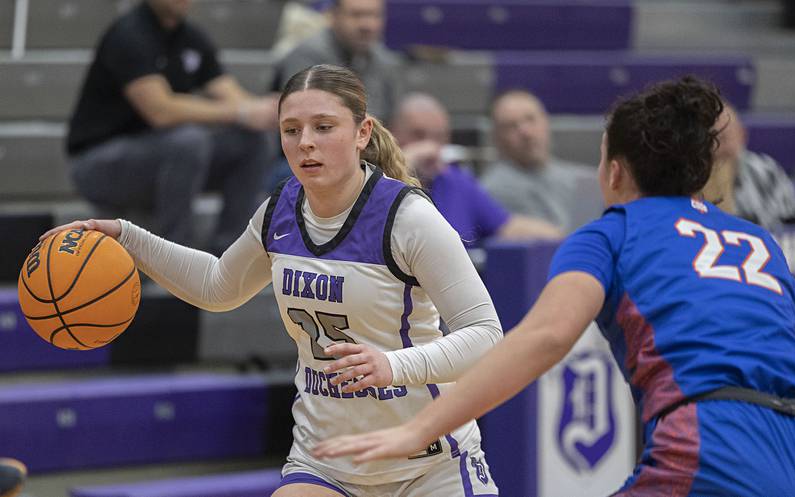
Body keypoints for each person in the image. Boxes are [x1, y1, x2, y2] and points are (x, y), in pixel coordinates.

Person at [314, 77, 795, 496]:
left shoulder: (613, 231)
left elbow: (545, 337)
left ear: (613, 171)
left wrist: (418, 429)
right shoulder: (757, 241)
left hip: (710, 444)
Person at [44, 64, 500, 497]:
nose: (305, 143)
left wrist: (394, 365)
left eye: (324, 127)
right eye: (291, 130)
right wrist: (128, 237)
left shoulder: (409, 219)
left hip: (427, 464)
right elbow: (217, 287)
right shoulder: (279, 212)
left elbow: (486, 337)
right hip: (325, 463)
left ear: (363, 133)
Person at [66, 0, 278, 255]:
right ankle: (175, 260)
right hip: (98, 164)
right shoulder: (129, 34)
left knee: (251, 142)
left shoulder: (191, 37)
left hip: (164, 156)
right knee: (188, 141)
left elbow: (235, 98)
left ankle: (232, 259)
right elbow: (160, 111)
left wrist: (270, 110)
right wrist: (242, 111)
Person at [391, 93, 562, 247]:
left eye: (439, 137)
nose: (430, 147)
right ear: (393, 134)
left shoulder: (456, 181)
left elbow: (508, 226)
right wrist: (405, 163)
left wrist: (570, 239)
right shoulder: (376, 177)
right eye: (418, 135)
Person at [481, 89, 601, 232]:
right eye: (511, 126)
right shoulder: (493, 189)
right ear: (497, 138)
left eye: (530, 119)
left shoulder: (582, 177)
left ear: (546, 121)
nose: (526, 132)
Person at [270, 0, 401, 123]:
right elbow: (306, 119)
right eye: (356, 15)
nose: (367, 25)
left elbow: (392, 117)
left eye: (375, 16)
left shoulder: (384, 59)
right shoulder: (308, 55)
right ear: (333, 16)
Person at [702, 101, 795, 231]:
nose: (720, 144)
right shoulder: (691, 176)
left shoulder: (766, 171)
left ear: (742, 134)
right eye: (714, 137)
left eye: (726, 136)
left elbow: (790, 223)